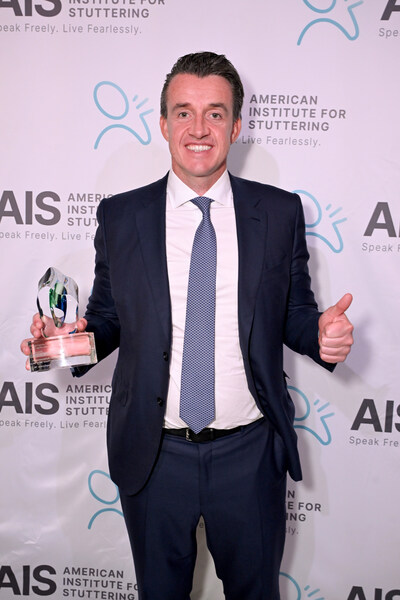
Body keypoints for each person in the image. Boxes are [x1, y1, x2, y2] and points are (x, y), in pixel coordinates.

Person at [21, 52, 354, 600]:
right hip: (154, 457)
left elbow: (294, 313)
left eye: (215, 113)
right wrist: (67, 342)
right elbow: (108, 317)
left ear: (237, 126)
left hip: (249, 454)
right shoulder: (122, 216)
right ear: (163, 123)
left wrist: (321, 336)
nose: (199, 129)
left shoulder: (278, 213)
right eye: (184, 112)